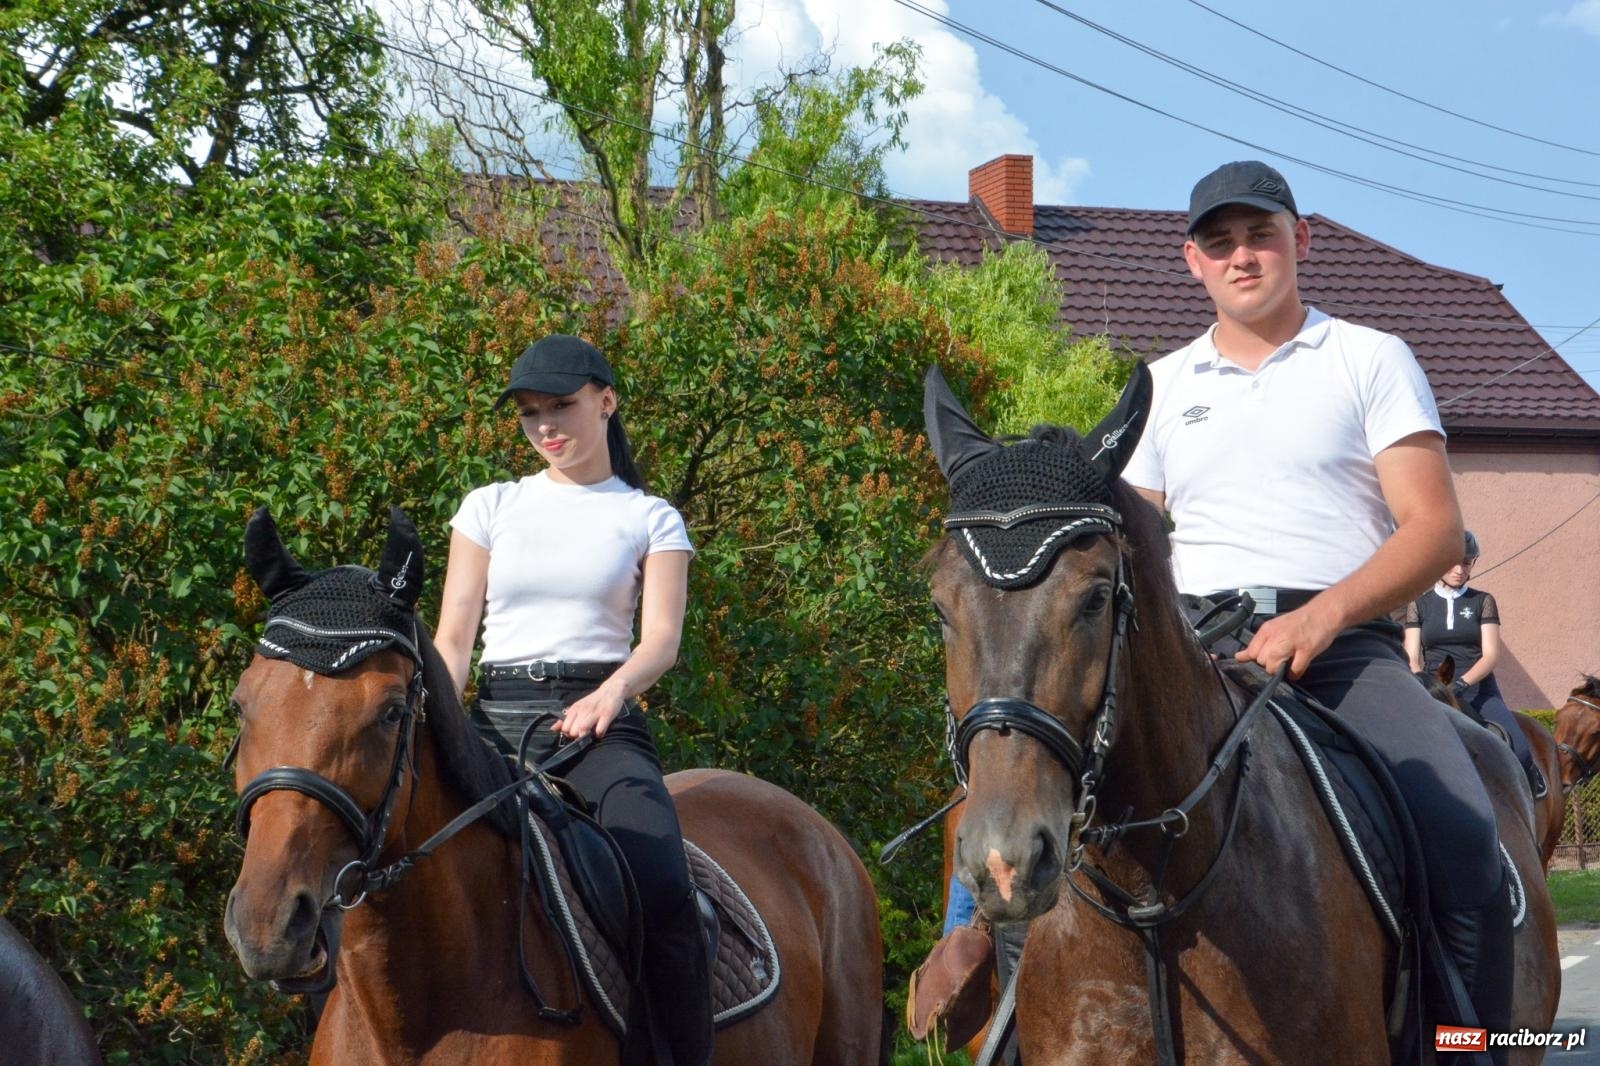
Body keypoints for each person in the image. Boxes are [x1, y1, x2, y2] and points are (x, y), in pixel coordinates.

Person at [917, 161, 1513, 1062]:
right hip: (1197, 655)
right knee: (1046, 792)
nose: (1243, 256)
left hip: (1343, 656)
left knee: (1465, 837)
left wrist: (1322, 618)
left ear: (1299, 240)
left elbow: (1434, 531)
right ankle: (1008, 1019)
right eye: (1221, 242)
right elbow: (1134, 559)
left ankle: (1475, 1049)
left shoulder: (1369, 357)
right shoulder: (1160, 389)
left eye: (1260, 234)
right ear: (1192, 261)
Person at [433, 333, 711, 1066]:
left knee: (659, 881)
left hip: (599, 727)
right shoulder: (488, 506)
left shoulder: (650, 517)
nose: (546, 427)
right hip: (490, 719)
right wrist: (430, 718)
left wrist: (611, 694)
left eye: (562, 406)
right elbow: (453, 640)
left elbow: (661, 642)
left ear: (607, 402)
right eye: (530, 413)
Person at [1406, 531, 1545, 796]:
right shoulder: (1420, 605)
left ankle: (1530, 806)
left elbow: (1491, 655)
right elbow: (1411, 655)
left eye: (1466, 563)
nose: (1459, 569)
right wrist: (1424, 683)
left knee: (1520, 748)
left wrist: (1460, 684)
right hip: (1432, 690)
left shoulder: (1483, 601)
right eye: (1453, 562)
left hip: (1477, 690)